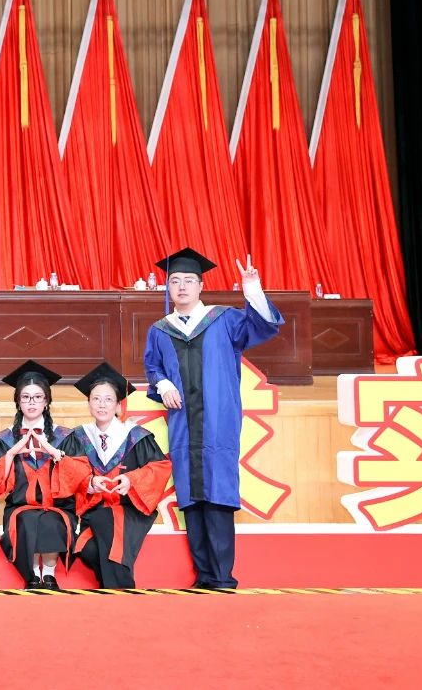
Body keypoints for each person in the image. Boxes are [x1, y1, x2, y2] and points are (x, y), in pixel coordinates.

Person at [143, 247, 283, 589]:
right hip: (183, 423)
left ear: (201, 286)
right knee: (191, 496)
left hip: (219, 422)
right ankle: (204, 576)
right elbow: (153, 366)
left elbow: (263, 326)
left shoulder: (224, 320)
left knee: (218, 492)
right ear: (168, 288)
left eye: (189, 280)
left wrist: (252, 288)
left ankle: (222, 576)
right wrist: (162, 384)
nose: (182, 287)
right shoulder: (160, 330)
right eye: (175, 281)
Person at [60, 362, 171, 589]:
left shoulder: (136, 436)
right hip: (94, 509)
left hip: (130, 510)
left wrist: (131, 480)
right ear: (89, 403)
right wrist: (90, 482)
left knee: (105, 519)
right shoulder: (79, 437)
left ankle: (118, 593)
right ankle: (121, 590)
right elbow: (66, 472)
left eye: (108, 399)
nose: (102, 404)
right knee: (86, 547)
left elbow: (160, 467)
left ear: (118, 405)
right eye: (96, 399)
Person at [0, 360, 84, 590]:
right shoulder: (4, 439)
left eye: (38, 397)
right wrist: (11, 454)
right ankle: (32, 574)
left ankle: (49, 574)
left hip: (58, 506)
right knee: (28, 519)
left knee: (51, 520)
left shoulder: (64, 436)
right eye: (26, 397)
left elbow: (79, 476)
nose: (32, 402)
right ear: (18, 402)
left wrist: (54, 452)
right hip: (20, 506)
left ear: (46, 401)